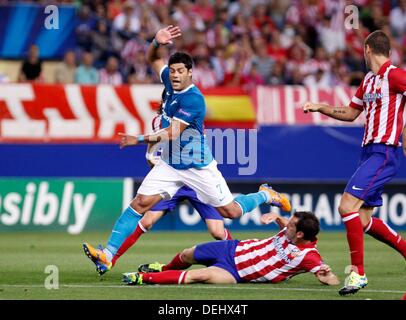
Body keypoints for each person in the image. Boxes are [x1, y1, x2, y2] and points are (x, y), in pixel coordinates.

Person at [83, 25, 291, 275]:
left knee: (231, 211)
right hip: (171, 164)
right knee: (140, 203)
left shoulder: (194, 99)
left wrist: (137, 138)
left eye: (180, 71)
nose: (175, 75)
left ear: (190, 73)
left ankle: (266, 195)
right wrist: (156, 42)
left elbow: (172, 132)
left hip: (197, 167)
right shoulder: (168, 84)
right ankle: (107, 255)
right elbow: (152, 59)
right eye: (172, 71)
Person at [303, 30, 406, 296]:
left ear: (367, 49)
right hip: (369, 152)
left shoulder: (394, 75)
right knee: (361, 219)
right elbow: (350, 113)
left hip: (384, 152)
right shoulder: (369, 81)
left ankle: (358, 273)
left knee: (346, 205)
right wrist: (321, 107)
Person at [109, 89, 233, 269]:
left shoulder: (190, 111)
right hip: (172, 177)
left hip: (195, 177)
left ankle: (236, 258)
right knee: (146, 221)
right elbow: (156, 141)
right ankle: (110, 259)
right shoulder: (158, 120)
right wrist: (151, 156)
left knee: (217, 231)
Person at [121, 211, 340, 287]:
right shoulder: (292, 230)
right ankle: (164, 268)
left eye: (291, 224)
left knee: (200, 275)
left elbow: (331, 280)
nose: (287, 225)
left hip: (236, 273)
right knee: (187, 253)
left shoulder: (308, 256)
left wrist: (327, 275)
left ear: (300, 234)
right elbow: (284, 223)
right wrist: (276, 218)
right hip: (231, 248)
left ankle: (142, 278)